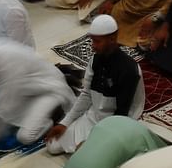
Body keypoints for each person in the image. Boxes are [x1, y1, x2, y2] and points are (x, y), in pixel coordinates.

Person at [44, 15, 143, 156]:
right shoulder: (95, 60)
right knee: (53, 145)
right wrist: (65, 123)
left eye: (97, 41)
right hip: (94, 116)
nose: (93, 46)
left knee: (87, 156)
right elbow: (86, 95)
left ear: (112, 39)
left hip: (116, 124)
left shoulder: (129, 69)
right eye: (92, 40)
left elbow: (123, 115)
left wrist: (96, 140)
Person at [0, 38, 75, 147]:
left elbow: (8, 103)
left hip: (47, 90)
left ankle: (47, 122)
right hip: (25, 91)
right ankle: (34, 115)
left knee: (25, 137)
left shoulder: (5, 61)